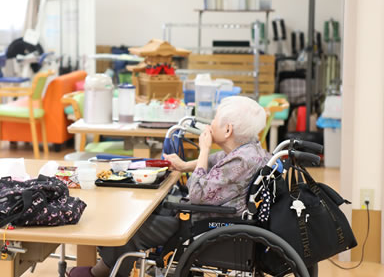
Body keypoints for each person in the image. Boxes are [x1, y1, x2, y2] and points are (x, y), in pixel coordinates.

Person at [69, 96, 270, 277]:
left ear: (228, 130)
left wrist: (203, 150)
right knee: (150, 210)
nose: (210, 124)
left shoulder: (240, 163)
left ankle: (101, 273)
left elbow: (197, 194)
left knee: (132, 227)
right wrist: (184, 166)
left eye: (215, 119)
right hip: (211, 215)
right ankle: (107, 267)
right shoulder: (250, 150)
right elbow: (218, 161)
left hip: (203, 223)